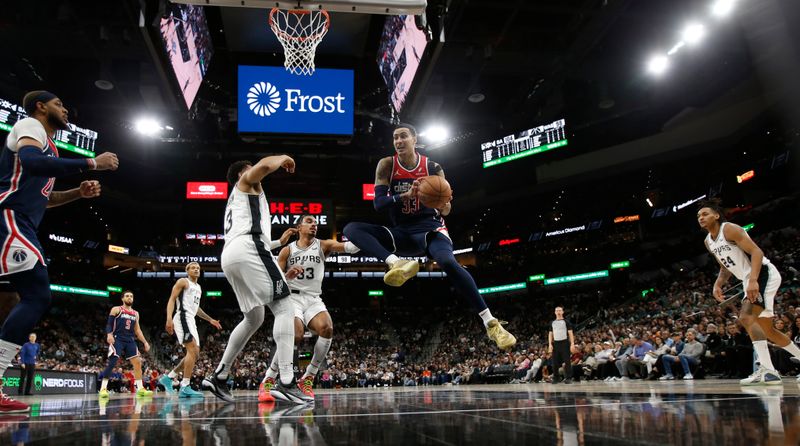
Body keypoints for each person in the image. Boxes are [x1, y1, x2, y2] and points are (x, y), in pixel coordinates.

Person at [343, 124, 516, 350]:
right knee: (351, 229)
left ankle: (491, 323)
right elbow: (378, 204)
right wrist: (405, 195)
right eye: (395, 138)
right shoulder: (386, 165)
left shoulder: (433, 167)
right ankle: (395, 263)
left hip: (431, 229)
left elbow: (446, 210)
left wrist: (439, 202)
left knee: (447, 262)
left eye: (403, 136)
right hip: (401, 233)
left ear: (414, 139)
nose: (398, 141)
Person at [0, 90, 118, 413]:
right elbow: (30, 162)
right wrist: (92, 163)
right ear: (41, 107)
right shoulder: (31, 126)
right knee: (38, 294)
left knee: (16, 299)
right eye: (59, 104)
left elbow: (46, 199)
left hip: (22, 221)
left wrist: (77, 194)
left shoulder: (47, 145)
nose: (65, 109)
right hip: (9, 217)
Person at [202, 155, 312, 404]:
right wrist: (284, 157)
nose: (257, 174)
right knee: (285, 306)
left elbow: (251, 234)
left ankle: (219, 375)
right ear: (243, 174)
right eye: (251, 171)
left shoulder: (235, 201)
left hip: (231, 255)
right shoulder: (245, 184)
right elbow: (264, 165)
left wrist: (277, 243)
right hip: (248, 249)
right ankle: (286, 381)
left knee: (255, 317)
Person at [258, 215, 360, 402]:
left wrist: (366, 236)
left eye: (315, 223)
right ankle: (269, 379)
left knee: (327, 328)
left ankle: (308, 377)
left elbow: (351, 248)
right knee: (295, 334)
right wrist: (287, 276)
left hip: (313, 298)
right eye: (309, 221)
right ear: (299, 227)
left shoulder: (323, 245)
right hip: (293, 297)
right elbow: (277, 282)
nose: (314, 225)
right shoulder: (287, 251)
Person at [698, 200, 800, 385]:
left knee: (745, 317)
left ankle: (769, 371)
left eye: (705, 214)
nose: (701, 218)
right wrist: (717, 284)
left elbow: (756, 252)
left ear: (717, 215)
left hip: (762, 273)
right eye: (698, 216)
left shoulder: (729, 229)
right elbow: (724, 267)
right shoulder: (708, 242)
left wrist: (753, 280)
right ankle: (771, 369)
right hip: (749, 279)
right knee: (769, 330)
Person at [159, 262, 222, 398]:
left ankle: (169, 378)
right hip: (182, 316)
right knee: (192, 351)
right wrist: (168, 319)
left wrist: (210, 319)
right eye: (193, 268)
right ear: (187, 270)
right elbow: (172, 299)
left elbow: (196, 308)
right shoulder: (183, 281)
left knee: (195, 354)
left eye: (198, 268)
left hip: (191, 319)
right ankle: (185, 386)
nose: (196, 269)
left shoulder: (198, 287)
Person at [98, 291, 153, 398]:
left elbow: (138, 330)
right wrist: (109, 334)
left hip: (130, 339)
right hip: (117, 338)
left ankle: (140, 388)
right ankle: (103, 389)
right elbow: (109, 324)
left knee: (137, 362)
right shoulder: (116, 309)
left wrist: (145, 342)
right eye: (127, 296)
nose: (129, 298)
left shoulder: (135, 313)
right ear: (122, 299)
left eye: (131, 296)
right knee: (113, 361)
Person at [548, 306, 575, 384]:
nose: (558, 312)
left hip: (565, 342)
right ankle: (556, 378)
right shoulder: (552, 322)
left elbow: (570, 333)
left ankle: (569, 378)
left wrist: (572, 344)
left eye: (560, 310)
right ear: (555, 312)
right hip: (555, 343)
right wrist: (550, 344)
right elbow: (550, 334)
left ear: (563, 312)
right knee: (554, 362)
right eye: (557, 310)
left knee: (567, 361)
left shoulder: (566, 322)